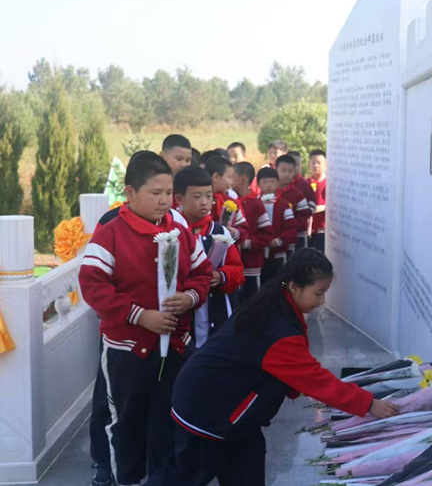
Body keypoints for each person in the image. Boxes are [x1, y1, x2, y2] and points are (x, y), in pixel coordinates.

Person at [146, 249, 399, 486]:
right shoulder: (277, 330)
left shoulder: (275, 301)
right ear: (294, 287)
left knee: (247, 469)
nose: (322, 301)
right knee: (184, 477)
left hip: (231, 412)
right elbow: (316, 380)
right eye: (318, 293)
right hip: (209, 411)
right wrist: (368, 404)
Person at [79, 152, 213, 486]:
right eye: (155, 193)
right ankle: (126, 480)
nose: (164, 201)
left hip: (176, 347)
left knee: (169, 423)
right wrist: (140, 316)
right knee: (125, 425)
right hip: (128, 350)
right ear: (130, 193)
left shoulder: (179, 230)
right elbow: (93, 287)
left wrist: (190, 297)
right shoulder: (111, 233)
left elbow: (202, 272)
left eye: (168, 193)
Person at [174, 167, 245, 347]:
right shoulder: (173, 233)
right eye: (197, 197)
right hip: (185, 316)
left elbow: (237, 270)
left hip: (217, 313)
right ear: (179, 199)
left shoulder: (220, 232)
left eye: (208, 196)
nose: (204, 202)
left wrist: (221, 276)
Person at [232, 162, 273, 298]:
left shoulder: (255, 203)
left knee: (252, 298)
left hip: (251, 264)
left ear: (243, 179)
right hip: (233, 263)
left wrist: (249, 243)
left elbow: (267, 234)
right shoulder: (229, 201)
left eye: (232, 177)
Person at [257, 167, 297, 283]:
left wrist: (278, 241)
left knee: (279, 282)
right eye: (265, 182)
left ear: (278, 183)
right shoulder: (254, 203)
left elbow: (291, 229)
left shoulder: (283, 204)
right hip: (258, 254)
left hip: (278, 254)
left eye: (272, 182)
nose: (269, 185)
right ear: (258, 184)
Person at [204, 156, 249, 244]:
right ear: (216, 177)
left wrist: (235, 233)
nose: (231, 182)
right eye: (229, 177)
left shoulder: (230, 202)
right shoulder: (201, 200)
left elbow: (244, 230)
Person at [276, 154, 311, 251]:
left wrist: (289, 227)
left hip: (295, 239)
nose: (287, 174)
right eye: (283, 171)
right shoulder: (271, 193)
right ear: (276, 170)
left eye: (290, 171)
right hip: (275, 239)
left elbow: (303, 217)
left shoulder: (297, 195)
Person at [289, 150, 317, 246]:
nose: (296, 167)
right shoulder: (279, 184)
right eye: (293, 164)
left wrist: (300, 219)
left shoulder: (305, 185)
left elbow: (312, 205)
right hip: (281, 233)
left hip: (300, 232)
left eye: (298, 164)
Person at [307, 150, 327, 253]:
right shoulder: (306, 183)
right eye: (313, 162)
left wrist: (323, 207)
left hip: (322, 231)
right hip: (308, 231)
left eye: (319, 163)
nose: (316, 166)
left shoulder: (329, 183)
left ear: (325, 165)